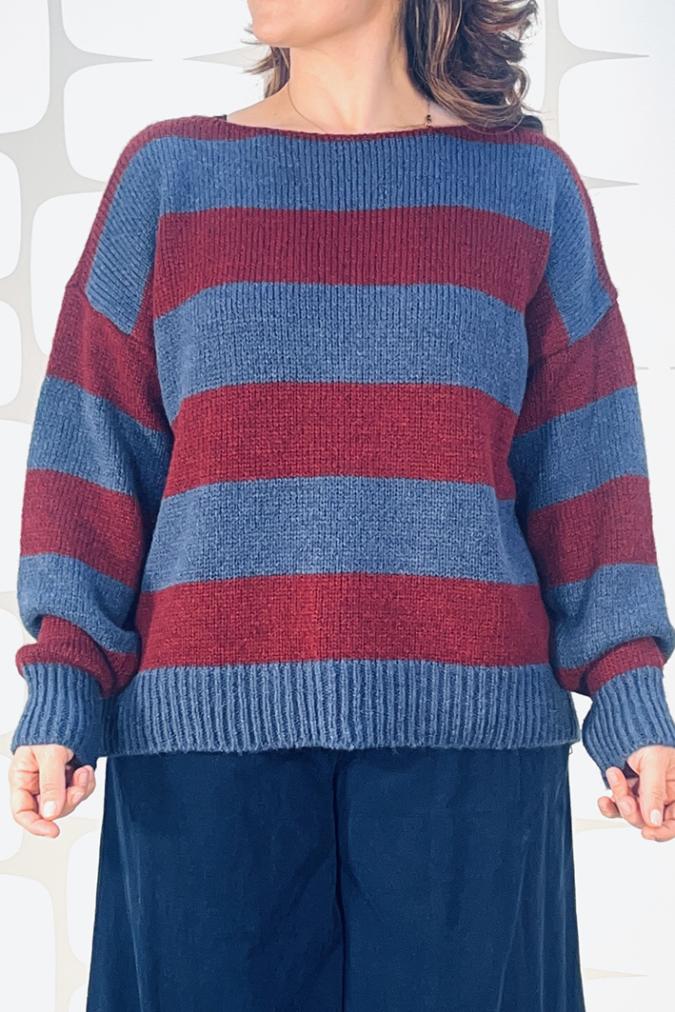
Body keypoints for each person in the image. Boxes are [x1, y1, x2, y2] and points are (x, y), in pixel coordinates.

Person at [8, 1, 675, 1009]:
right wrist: (65, 680)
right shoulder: (169, 178)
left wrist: (628, 694)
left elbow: (588, 471)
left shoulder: (527, 186)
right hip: (204, 762)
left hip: (470, 759)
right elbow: (92, 447)